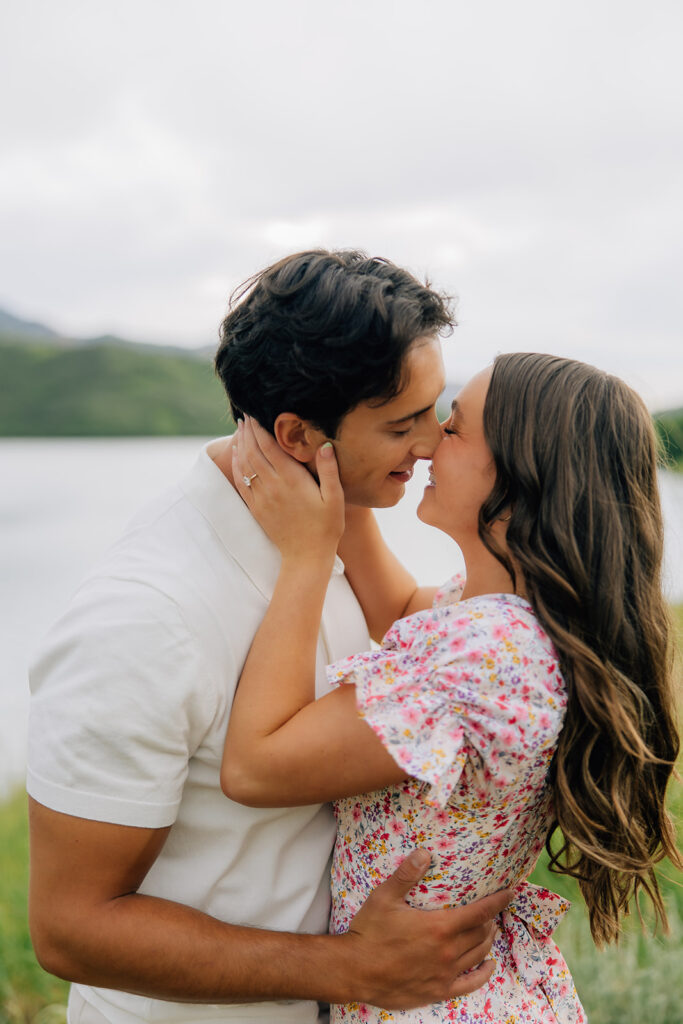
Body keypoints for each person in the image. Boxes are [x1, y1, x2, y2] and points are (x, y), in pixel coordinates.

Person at [27, 250, 511, 1024]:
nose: (430, 443)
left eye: (434, 408)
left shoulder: (331, 524)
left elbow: (420, 637)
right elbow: (71, 930)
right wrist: (349, 968)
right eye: (401, 424)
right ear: (296, 434)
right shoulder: (145, 617)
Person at [222, 352, 682, 1023]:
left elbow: (254, 767)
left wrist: (304, 555)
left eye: (457, 427)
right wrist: (333, 467)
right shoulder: (514, 621)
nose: (432, 439)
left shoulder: (484, 652)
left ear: (523, 476)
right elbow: (402, 607)